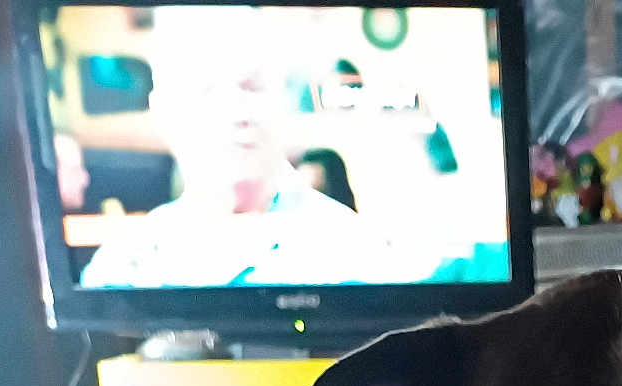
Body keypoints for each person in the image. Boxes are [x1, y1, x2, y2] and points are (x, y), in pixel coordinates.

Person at [79, 12, 417, 288]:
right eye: (206, 92)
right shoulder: (123, 270)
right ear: (163, 111)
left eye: (253, 87)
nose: (237, 113)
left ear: (281, 100)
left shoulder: (359, 254)